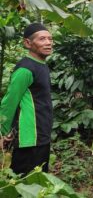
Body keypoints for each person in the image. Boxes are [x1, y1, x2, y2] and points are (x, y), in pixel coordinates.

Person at [0, 23, 53, 175]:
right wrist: (2, 133)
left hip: (41, 134)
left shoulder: (41, 65)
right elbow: (9, 103)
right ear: (27, 43)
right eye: (42, 39)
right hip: (30, 137)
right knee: (25, 183)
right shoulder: (25, 69)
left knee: (39, 180)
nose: (48, 43)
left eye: (50, 39)